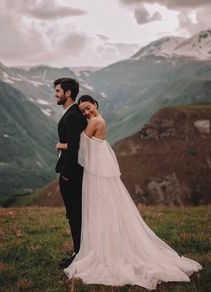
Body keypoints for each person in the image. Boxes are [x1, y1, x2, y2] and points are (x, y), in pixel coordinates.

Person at [57, 94, 202, 290]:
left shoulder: (94, 122)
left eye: (88, 107)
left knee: (99, 204)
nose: (86, 112)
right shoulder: (98, 120)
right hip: (100, 165)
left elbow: (80, 145)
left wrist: (61, 145)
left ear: (95, 104)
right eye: (83, 110)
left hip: (96, 169)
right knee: (104, 204)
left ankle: (104, 248)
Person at [54, 78, 87, 268]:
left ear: (67, 93)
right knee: (74, 214)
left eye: (58, 91)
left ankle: (79, 254)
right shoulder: (71, 113)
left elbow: (74, 148)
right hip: (70, 173)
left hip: (71, 174)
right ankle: (80, 251)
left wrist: (66, 174)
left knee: (74, 214)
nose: (55, 94)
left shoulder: (73, 115)